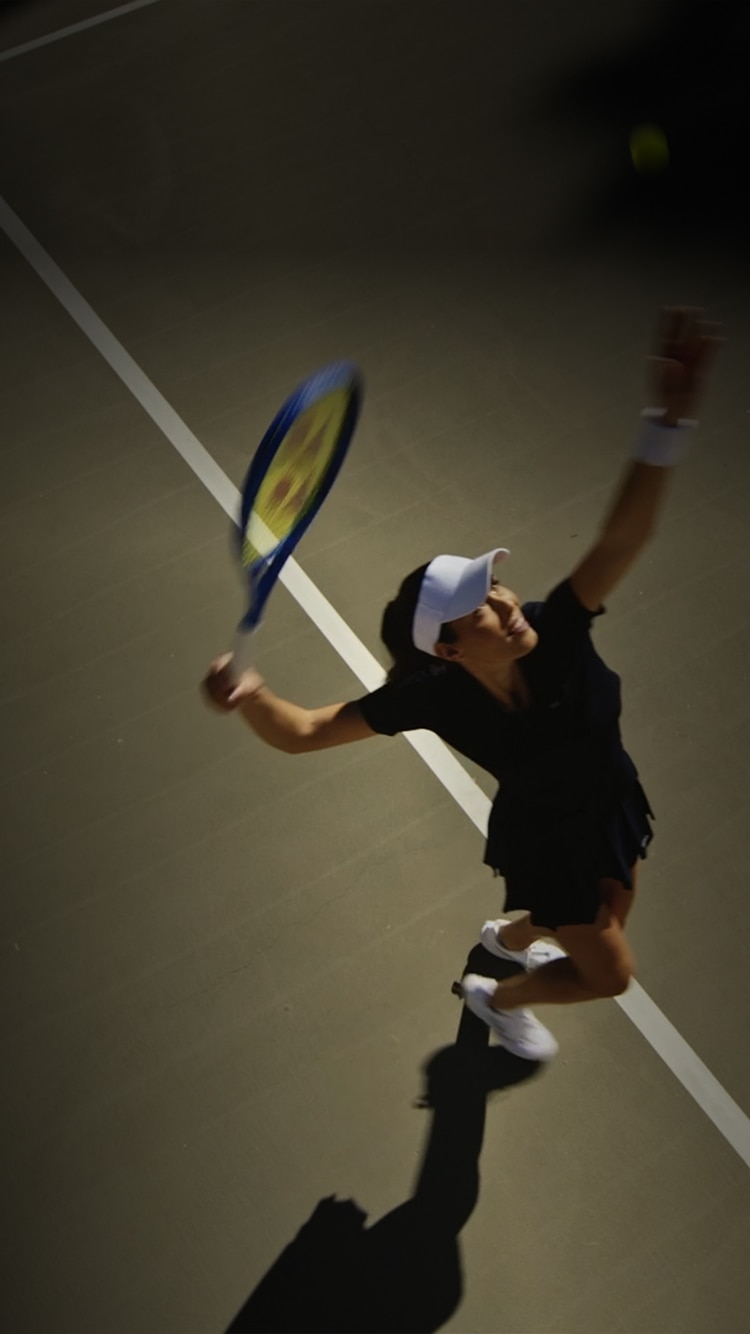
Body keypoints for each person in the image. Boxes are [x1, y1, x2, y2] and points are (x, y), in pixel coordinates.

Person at [203, 308, 721, 1062]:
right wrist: (248, 697)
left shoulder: (556, 628)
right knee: (610, 974)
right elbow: (306, 732)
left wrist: (667, 424)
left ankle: (511, 938)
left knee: (616, 904)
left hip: (606, 793)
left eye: (498, 584)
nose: (507, 602)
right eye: (479, 605)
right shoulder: (430, 698)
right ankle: (499, 1000)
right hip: (550, 843)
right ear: (445, 650)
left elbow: (623, 538)